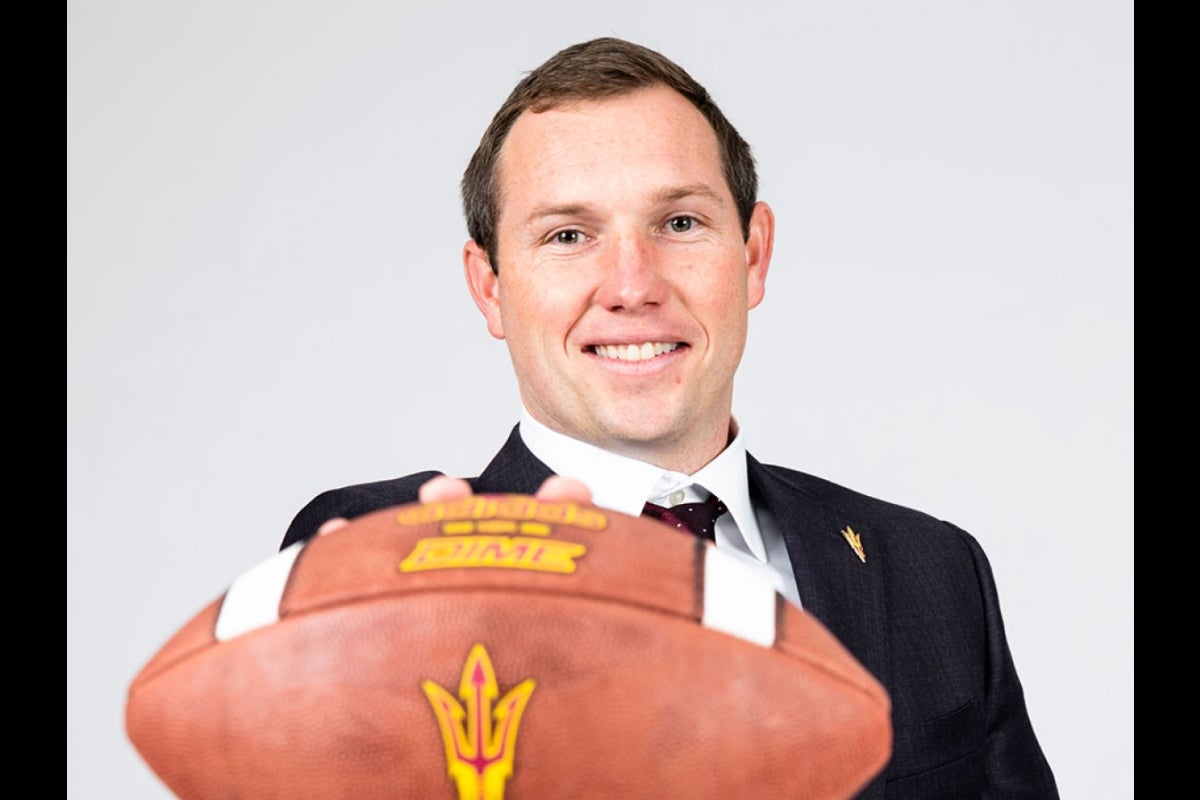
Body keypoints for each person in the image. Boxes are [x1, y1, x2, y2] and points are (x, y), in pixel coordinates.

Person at [280, 37, 1058, 798]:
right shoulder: (381, 565)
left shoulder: (931, 570)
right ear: (490, 288)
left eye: (680, 223)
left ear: (752, 254)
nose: (632, 284)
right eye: (569, 235)